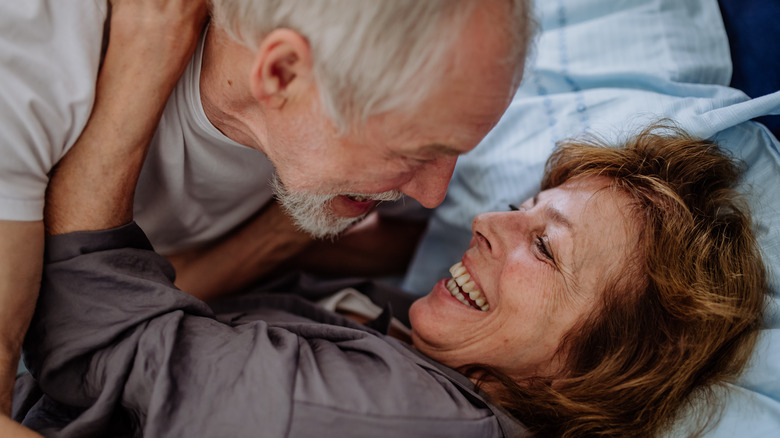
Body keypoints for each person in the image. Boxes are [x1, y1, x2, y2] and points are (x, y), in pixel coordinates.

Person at [14, 114, 767, 436]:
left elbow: (92, 337)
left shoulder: (402, 419)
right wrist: (302, 226)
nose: (483, 222)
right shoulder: (435, 349)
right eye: (518, 206)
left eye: (544, 247)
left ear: (590, 370)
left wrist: (148, 53)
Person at [0, 0, 533, 427]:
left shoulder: (392, 93)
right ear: (280, 72)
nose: (437, 193)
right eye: (415, 153)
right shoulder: (29, 65)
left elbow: (148, 288)